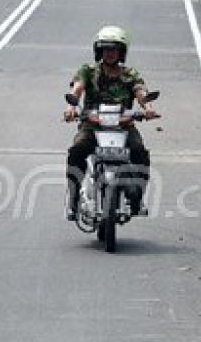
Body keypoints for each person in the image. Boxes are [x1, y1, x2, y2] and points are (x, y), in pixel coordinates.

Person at [63, 26, 158, 221]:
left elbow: (141, 92)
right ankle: (73, 199)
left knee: (139, 151)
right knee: (76, 150)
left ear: (121, 51)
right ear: (99, 51)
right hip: (92, 124)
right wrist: (71, 107)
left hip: (124, 125)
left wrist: (147, 108)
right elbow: (77, 88)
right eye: (105, 49)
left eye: (114, 49)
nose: (109, 53)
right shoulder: (88, 71)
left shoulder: (130, 74)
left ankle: (137, 198)